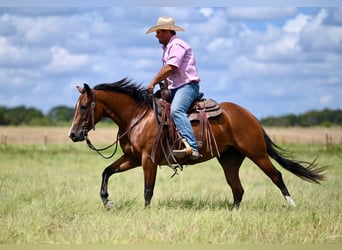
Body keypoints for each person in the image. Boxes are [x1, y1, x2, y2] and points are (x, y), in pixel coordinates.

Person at [146, 16, 201, 160]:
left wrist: (153, 82)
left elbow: (171, 67)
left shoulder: (177, 45)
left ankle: (192, 147)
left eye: (158, 32)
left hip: (187, 86)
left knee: (177, 110)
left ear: (167, 31)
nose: (156, 35)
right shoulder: (167, 48)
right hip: (174, 88)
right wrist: (164, 87)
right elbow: (169, 73)